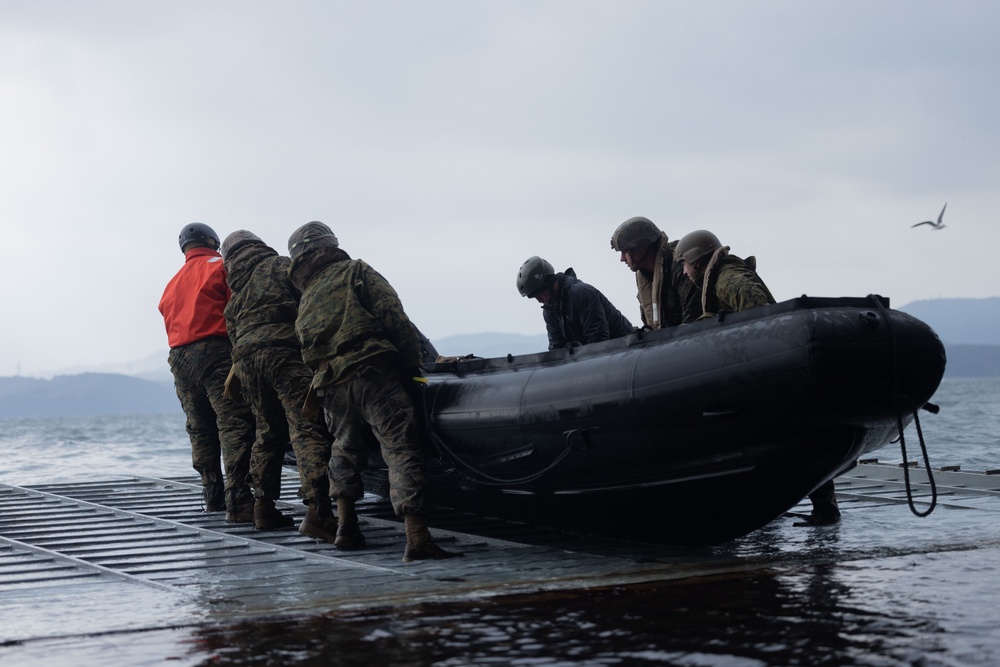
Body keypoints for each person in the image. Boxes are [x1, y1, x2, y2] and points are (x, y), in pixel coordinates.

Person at [286, 221, 462, 562]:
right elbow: (393, 315)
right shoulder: (356, 272)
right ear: (330, 245)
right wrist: (414, 368)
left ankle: (346, 528)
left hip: (330, 383)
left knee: (344, 449)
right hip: (372, 372)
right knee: (399, 445)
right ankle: (417, 537)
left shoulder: (306, 298)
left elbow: (305, 348)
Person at [673, 229, 840, 525]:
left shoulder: (729, 280)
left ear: (696, 262)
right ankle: (820, 508)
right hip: (773, 371)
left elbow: (759, 317)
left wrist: (711, 323)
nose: (683, 273)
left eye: (684, 265)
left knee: (788, 443)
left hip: (771, 374)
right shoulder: (720, 279)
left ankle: (820, 509)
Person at [220, 230, 338, 539]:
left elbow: (233, 336)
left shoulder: (236, 295)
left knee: (267, 430)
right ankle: (318, 512)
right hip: (284, 354)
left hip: (247, 362)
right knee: (306, 426)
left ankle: (262, 507)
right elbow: (311, 303)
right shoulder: (281, 266)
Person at [158, 222, 255, 523]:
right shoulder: (222, 266)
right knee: (234, 423)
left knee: (200, 428)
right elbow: (237, 311)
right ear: (213, 242)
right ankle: (239, 501)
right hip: (215, 352)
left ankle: (212, 496)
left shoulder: (172, 282)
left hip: (179, 358)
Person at [516, 256, 634, 350]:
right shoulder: (549, 311)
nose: (539, 299)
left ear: (550, 283)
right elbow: (556, 349)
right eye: (533, 297)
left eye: (539, 293)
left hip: (625, 348)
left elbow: (598, 340)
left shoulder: (581, 294)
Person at [610, 216, 701, 328]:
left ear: (641, 248)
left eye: (625, 252)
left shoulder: (680, 267)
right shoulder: (645, 277)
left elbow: (694, 324)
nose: (622, 258)